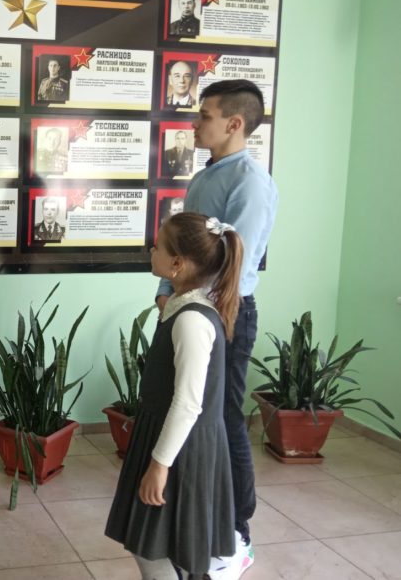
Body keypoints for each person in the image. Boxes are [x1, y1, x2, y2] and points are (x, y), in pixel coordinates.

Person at [155, 79, 278, 579]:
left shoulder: (250, 181)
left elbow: (230, 262)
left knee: (225, 419)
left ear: (234, 123)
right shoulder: (207, 174)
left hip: (224, 314)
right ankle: (202, 516)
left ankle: (237, 531)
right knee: (192, 412)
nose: (195, 123)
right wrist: (166, 293)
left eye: (204, 115)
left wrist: (195, 308)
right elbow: (186, 250)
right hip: (188, 307)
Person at [107, 212, 244, 579]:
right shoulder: (179, 308)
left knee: (152, 548)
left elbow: (187, 403)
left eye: (158, 246)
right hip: (164, 438)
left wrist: (159, 464)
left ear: (177, 264)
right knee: (151, 541)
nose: (152, 251)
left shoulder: (192, 320)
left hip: (180, 450)